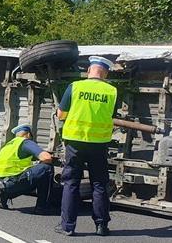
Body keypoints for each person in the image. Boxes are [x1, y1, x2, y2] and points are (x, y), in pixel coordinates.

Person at [55, 56, 117, 237]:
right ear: (105, 73)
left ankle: (68, 226)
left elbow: (61, 114)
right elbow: (111, 114)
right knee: (99, 184)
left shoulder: (75, 87)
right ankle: (101, 226)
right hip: (99, 144)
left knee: (71, 183)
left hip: (75, 142)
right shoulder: (112, 91)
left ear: (89, 70)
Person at [0, 124, 54, 215]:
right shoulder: (25, 142)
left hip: (0, 183)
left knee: (31, 177)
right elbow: (46, 158)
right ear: (27, 134)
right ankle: (42, 207)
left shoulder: (8, 145)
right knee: (46, 168)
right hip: (13, 181)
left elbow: (17, 163)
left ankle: (5, 194)